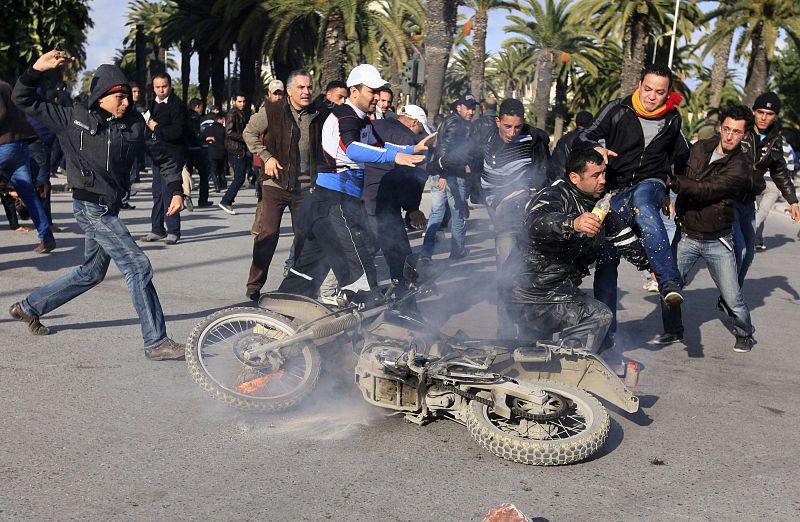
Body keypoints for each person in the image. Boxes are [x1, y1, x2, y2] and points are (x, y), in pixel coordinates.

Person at [9, 50, 185, 360]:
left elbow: (163, 156)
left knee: (91, 272)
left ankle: (29, 307)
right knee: (137, 265)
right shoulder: (71, 118)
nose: (127, 102)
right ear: (101, 96)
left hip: (110, 207)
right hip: (91, 209)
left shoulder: (134, 123)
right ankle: (156, 342)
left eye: (127, 96)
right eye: (120, 97)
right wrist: (36, 69)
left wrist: (175, 190)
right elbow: (22, 98)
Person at [276, 64, 432, 302]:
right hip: (331, 202)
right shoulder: (346, 116)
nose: (377, 97)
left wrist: (412, 148)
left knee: (307, 272)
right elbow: (353, 149)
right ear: (354, 91)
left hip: (336, 202)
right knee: (361, 276)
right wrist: (395, 157)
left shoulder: (361, 120)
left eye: (378, 92)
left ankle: (277, 314)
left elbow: (380, 146)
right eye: (372, 91)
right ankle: (363, 319)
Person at [577, 63, 689, 348]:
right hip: (615, 192)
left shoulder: (672, 120)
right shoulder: (618, 109)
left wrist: (670, 189)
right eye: (648, 89)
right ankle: (606, 332)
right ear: (639, 85)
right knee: (606, 262)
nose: (652, 96)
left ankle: (668, 282)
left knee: (644, 203)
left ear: (668, 94)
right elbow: (585, 136)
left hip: (650, 184)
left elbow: (680, 157)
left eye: (659, 92)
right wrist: (596, 148)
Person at [510, 148, 649, 352]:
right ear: (575, 177)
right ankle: (571, 362)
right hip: (529, 293)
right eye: (596, 175)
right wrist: (571, 223)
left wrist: (655, 270)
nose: (603, 180)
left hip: (555, 292)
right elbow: (535, 223)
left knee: (531, 351)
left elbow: (627, 241)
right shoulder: (554, 195)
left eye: (603, 174)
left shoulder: (597, 207)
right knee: (598, 315)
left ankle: (550, 360)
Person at [436, 98, 551, 335]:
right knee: (507, 266)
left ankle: (528, 324)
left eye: (517, 127)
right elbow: (464, 154)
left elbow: (547, 170)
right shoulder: (485, 137)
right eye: (507, 126)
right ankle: (506, 327)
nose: (512, 132)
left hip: (525, 203)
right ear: (498, 121)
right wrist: (439, 163)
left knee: (528, 265)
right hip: (497, 203)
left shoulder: (535, 138)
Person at [657, 105, 756, 352]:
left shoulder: (741, 166)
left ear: (745, 134)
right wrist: (664, 188)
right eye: (726, 129)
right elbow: (675, 165)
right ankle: (673, 330)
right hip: (686, 234)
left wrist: (674, 183)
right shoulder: (700, 148)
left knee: (732, 297)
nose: (729, 136)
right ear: (720, 127)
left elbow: (706, 189)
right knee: (668, 287)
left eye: (736, 132)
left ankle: (745, 332)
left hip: (717, 240)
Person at [242, 70, 322, 301]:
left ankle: (296, 285)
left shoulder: (317, 114)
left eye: (309, 87)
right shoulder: (272, 110)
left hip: (305, 186)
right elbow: (249, 133)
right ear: (289, 91)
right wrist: (266, 157)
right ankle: (254, 285)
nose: (306, 92)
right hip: (275, 183)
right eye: (301, 87)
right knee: (268, 233)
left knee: (305, 235)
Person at [363, 104, 430, 307]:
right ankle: (406, 308)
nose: (419, 134)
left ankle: (365, 302)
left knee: (363, 256)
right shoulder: (408, 138)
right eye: (420, 129)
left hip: (362, 200)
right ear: (414, 121)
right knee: (400, 257)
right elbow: (414, 178)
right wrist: (412, 208)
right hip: (386, 205)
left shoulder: (374, 125)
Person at [0, 79, 56, 253]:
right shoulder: (5, 85)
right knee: (28, 194)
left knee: (28, 193)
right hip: (20, 144)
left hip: (4, 145)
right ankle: (46, 237)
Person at [421, 92, 478, 261]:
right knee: (457, 214)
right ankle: (457, 251)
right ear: (458, 107)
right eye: (468, 108)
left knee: (436, 214)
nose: (471, 112)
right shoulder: (456, 123)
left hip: (443, 174)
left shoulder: (450, 121)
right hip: (451, 175)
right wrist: (444, 174)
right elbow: (445, 149)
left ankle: (426, 253)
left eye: (473, 109)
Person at [743, 93, 799, 252]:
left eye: (769, 114)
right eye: (760, 112)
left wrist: (793, 201)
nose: (763, 118)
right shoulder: (741, 131)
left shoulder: (776, 140)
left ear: (775, 116)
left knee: (746, 254)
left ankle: (754, 238)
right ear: (754, 111)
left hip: (763, 186)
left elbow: (781, 171)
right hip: (734, 190)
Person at [140, 72, 188, 245]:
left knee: (170, 193)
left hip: (172, 155)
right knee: (157, 193)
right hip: (156, 154)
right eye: (157, 87)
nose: (161, 90)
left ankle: (173, 231)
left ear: (170, 86)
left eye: (164, 86)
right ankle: (157, 229)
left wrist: (155, 127)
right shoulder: (152, 104)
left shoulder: (177, 105)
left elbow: (177, 132)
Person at [218, 94, 247, 214]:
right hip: (235, 149)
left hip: (239, 148)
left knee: (240, 176)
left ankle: (228, 200)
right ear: (234, 101)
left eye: (243, 101)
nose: (242, 104)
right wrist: (244, 137)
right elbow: (229, 132)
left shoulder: (240, 113)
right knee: (240, 177)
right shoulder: (232, 114)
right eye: (239, 101)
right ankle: (226, 200)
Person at [548, 110, 593, 183]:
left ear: (575, 123)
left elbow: (554, 159)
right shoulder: (588, 140)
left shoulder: (564, 138)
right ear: (592, 124)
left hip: (558, 179)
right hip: (574, 181)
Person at [186, 97, 212, 207]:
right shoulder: (195, 117)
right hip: (196, 149)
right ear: (197, 107)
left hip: (186, 149)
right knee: (204, 174)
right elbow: (196, 133)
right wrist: (204, 138)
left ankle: (186, 195)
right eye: (201, 107)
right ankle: (203, 199)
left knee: (187, 174)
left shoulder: (184, 115)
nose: (201, 110)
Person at [201, 111, 227, 197]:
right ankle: (223, 183)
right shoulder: (223, 129)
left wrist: (207, 139)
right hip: (222, 151)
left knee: (213, 169)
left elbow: (202, 138)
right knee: (221, 169)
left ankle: (216, 185)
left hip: (212, 151)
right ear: (220, 119)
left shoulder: (208, 129)